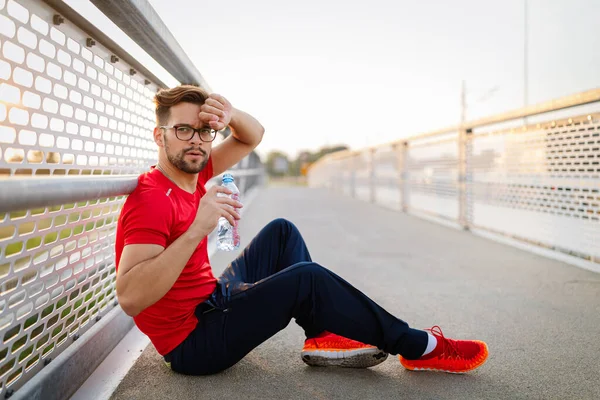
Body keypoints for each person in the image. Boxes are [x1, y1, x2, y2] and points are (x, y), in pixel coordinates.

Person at [115, 85, 489, 376]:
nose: (195, 140)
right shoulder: (152, 199)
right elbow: (131, 297)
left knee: (282, 231)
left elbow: (252, 135)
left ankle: (321, 336)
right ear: (159, 135)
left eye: (202, 131)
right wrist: (199, 227)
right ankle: (418, 346)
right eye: (182, 130)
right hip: (194, 343)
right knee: (305, 279)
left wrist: (229, 113)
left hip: (212, 300)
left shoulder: (194, 170)